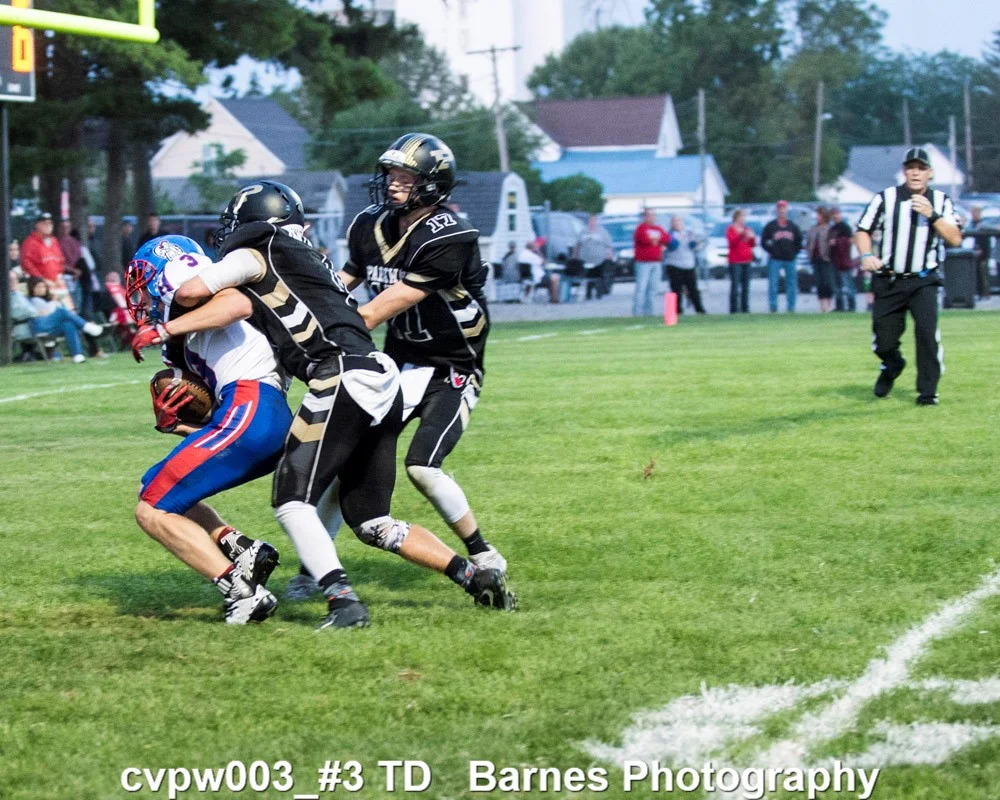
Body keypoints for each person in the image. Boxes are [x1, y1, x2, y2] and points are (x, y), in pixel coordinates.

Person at [131, 180, 515, 630]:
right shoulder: (304, 258)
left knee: (292, 503)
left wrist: (165, 324)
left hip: (340, 374)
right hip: (378, 373)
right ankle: (474, 575)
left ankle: (342, 604)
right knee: (372, 521)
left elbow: (201, 293)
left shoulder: (257, 249)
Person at [283, 132, 510, 602]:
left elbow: (377, 309)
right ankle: (312, 571)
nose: (393, 182)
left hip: (451, 367)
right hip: (400, 362)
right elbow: (344, 284)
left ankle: (483, 553)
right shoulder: (369, 224)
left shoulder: (449, 235)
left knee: (422, 468)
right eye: (391, 173)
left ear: (433, 183)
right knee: (346, 463)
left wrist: (316, 337)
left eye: (406, 176)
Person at [125, 235, 289, 624]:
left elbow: (237, 304)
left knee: (151, 510)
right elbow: (219, 426)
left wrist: (163, 329)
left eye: (145, 284)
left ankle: (242, 594)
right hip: (257, 418)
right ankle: (240, 548)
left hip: (251, 406)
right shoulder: (190, 325)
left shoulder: (195, 291)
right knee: (154, 487)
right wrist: (178, 424)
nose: (142, 298)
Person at [855, 147, 962, 405]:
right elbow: (863, 229)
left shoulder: (941, 201)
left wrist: (932, 215)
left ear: (930, 173)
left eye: (921, 168)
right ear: (904, 171)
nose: (915, 173)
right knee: (883, 341)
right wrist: (866, 255)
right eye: (911, 168)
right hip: (889, 278)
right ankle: (892, 365)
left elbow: (955, 239)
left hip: (923, 280)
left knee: (926, 334)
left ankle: (928, 392)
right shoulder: (885, 198)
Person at [17, 275, 104, 362]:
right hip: (39, 326)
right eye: (38, 287)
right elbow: (46, 313)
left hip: (51, 327)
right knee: (61, 311)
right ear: (32, 288)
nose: (41, 289)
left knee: (68, 324)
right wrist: (54, 301)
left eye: (43, 286)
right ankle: (86, 326)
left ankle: (77, 355)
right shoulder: (32, 300)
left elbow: (53, 313)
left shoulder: (46, 299)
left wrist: (55, 302)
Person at [761, 200, 802, 313]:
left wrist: (794, 252)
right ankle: (773, 306)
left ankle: (791, 307)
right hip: (775, 259)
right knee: (773, 283)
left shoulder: (792, 226)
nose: (782, 210)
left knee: (791, 284)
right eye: (780, 208)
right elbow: (764, 241)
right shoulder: (771, 226)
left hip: (790, 259)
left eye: (784, 208)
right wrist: (771, 251)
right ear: (777, 210)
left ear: (787, 210)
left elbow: (799, 241)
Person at [21, 212, 69, 304]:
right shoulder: (30, 242)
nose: (48, 226)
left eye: (50, 223)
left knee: (67, 308)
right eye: (44, 223)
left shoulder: (54, 241)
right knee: (48, 309)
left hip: (56, 285)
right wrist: (42, 280)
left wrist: (59, 277)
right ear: (37, 225)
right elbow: (26, 263)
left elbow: (60, 260)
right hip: (40, 288)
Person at [663, 216, 705, 314]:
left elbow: (694, 247)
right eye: (674, 221)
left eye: (678, 221)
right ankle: (677, 311)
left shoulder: (689, 233)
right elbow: (672, 246)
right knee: (676, 289)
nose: (676, 223)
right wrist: (679, 238)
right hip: (674, 264)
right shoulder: (669, 234)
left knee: (693, 289)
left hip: (688, 264)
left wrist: (697, 243)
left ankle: (700, 310)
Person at [632, 209, 671, 316]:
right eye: (649, 215)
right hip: (643, 263)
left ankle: (649, 312)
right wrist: (657, 239)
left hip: (656, 262)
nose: (652, 217)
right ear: (644, 217)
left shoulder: (658, 228)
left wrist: (655, 239)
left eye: (653, 215)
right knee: (641, 288)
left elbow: (667, 238)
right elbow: (645, 240)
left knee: (653, 288)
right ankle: (637, 313)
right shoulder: (641, 228)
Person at [573, 214, 614, 299]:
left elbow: (609, 245)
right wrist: (575, 256)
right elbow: (577, 245)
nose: (592, 222)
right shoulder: (583, 232)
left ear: (596, 221)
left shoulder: (602, 232)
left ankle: (599, 292)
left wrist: (609, 256)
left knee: (598, 276)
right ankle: (588, 292)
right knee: (588, 276)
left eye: (594, 220)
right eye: (590, 220)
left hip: (599, 260)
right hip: (585, 260)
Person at [806, 207, 834, 312]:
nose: (817, 217)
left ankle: (829, 303)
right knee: (819, 282)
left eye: (819, 215)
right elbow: (809, 242)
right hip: (815, 258)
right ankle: (822, 305)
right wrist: (809, 251)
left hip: (826, 259)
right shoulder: (813, 229)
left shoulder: (829, 229)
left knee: (827, 282)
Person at [726, 209, 755, 313]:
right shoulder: (730, 229)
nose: (743, 219)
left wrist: (751, 237)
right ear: (736, 218)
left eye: (744, 217)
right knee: (735, 286)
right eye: (741, 217)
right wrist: (741, 235)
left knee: (746, 286)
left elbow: (752, 244)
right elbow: (732, 243)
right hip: (735, 261)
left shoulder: (747, 229)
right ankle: (734, 309)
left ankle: (745, 308)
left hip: (747, 260)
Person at [829, 206, 856, 312]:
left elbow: (851, 241)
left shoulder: (845, 227)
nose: (835, 216)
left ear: (840, 214)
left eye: (837, 214)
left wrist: (837, 241)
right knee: (836, 285)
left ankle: (851, 306)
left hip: (844, 260)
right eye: (833, 214)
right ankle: (839, 306)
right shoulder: (832, 229)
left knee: (847, 284)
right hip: (834, 260)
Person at [520, 237, 559, 303]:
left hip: (526, 278)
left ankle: (552, 299)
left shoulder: (521, 255)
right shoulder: (532, 256)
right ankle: (554, 299)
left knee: (551, 277)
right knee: (555, 277)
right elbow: (544, 263)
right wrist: (538, 252)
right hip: (537, 279)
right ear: (533, 247)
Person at [967, 206, 994, 299]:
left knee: (983, 273)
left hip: (984, 253)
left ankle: (985, 293)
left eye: (975, 212)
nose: (974, 215)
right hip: (975, 252)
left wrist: (980, 249)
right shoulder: (972, 224)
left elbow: (984, 240)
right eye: (973, 213)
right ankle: (979, 293)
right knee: (977, 273)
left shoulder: (983, 225)